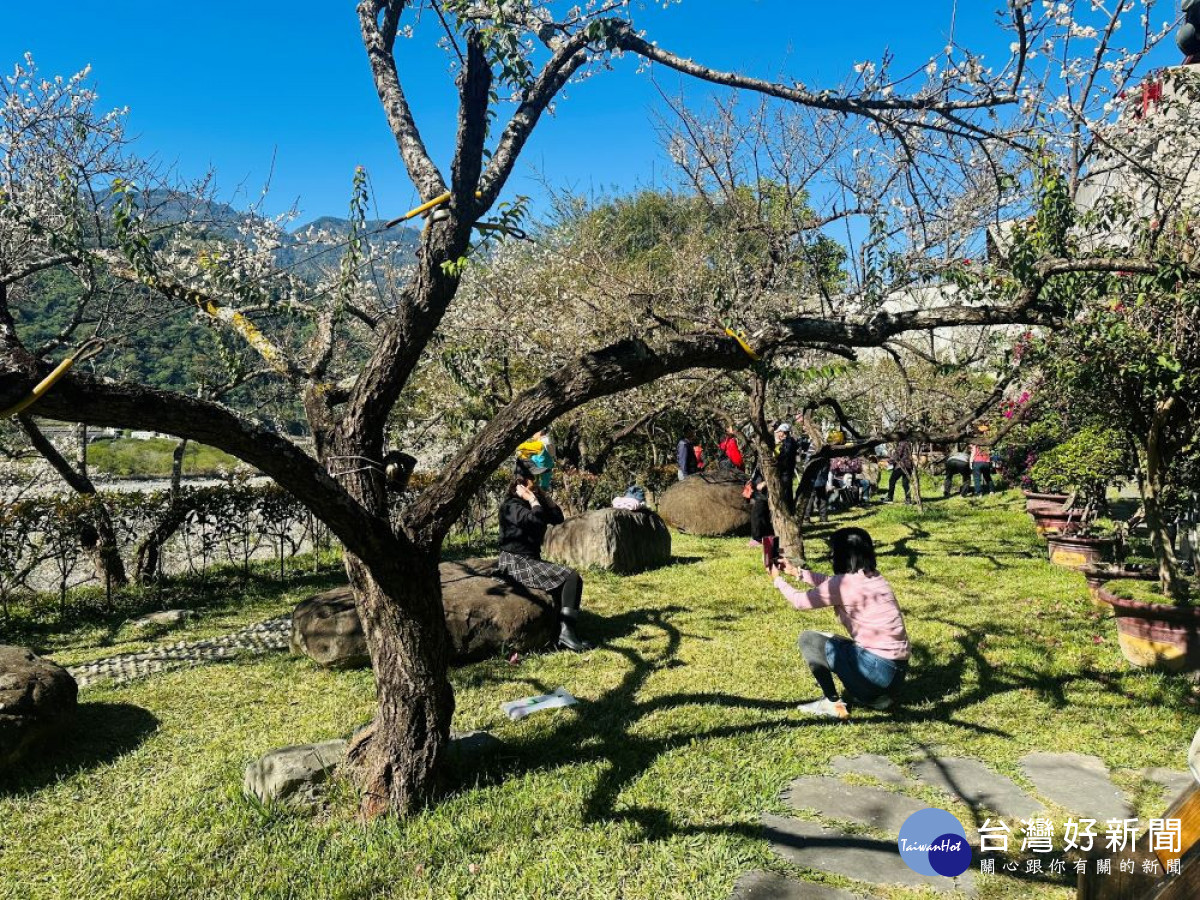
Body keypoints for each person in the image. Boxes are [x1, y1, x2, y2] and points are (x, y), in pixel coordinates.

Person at [768, 527, 910, 719]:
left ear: (841, 555)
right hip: (897, 675)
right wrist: (797, 573)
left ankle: (832, 703)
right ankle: (875, 698)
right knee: (836, 642)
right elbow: (833, 583)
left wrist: (778, 580)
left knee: (809, 639)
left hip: (876, 672)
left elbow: (801, 601)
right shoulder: (875, 577)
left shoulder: (843, 584)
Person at [497, 459, 591, 651]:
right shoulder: (511, 506)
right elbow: (536, 522)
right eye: (534, 478)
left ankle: (561, 631)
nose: (538, 481)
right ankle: (566, 635)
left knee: (564, 583)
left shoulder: (533, 501)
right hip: (514, 561)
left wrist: (542, 497)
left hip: (529, 559)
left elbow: (557, 518)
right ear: (522, 481)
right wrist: (532, 500)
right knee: (571, 577)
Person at [774, 423, 800, 515]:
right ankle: (789, 511)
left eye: (779, 431)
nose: (777, 433)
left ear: (783, 432)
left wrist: (777, 459)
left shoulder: (788, 442)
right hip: (786, 470)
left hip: (786, 471)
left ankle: (788, 512)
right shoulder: (788, 441)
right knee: (787, 491)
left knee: (786, 492)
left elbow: (785, 456)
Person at [748, 463, 774, 548]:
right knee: (763, 515)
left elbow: (780, 471)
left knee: (757, 514)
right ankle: (766, 536)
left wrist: (765, 482)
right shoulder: (761, 455)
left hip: (765, 491)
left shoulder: (774, 454)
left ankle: (758, 539)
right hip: (759, 491)